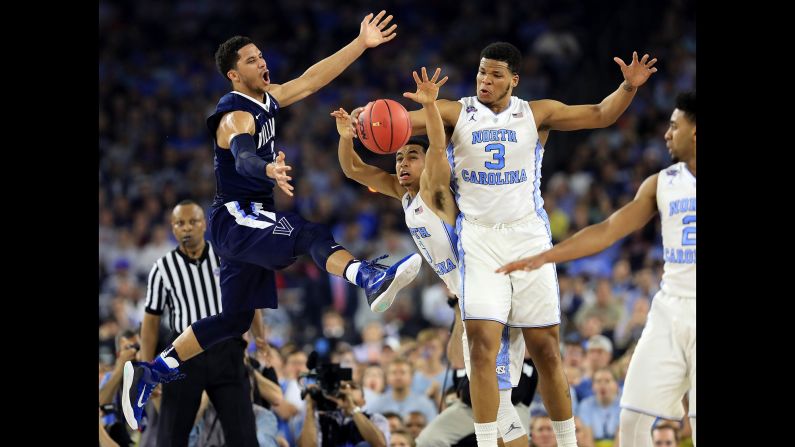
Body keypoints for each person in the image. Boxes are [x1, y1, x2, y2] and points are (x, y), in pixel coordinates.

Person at [122, 11, 425, 431]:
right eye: (251, 60)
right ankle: (367, 277)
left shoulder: (267, 98)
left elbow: (312, 79)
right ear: (233, 74)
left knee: (234, 321)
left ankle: (151, 370)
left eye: (261, 56)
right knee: (309, 233)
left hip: (245, 221)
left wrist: (360, 43)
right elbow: (244, 154)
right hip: (236, 217)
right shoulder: (233, 116)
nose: (262, 63)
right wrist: (265, 171)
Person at [356, 42, 657, 447]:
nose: (485, 80)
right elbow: (397, 121)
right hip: (478, 238)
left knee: (546, 349)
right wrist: (364, 119)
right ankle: (486, 442)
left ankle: (567, 442)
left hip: (527, 235)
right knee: (480, 345)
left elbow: (601, 114)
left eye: (495, 74)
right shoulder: (455, 111)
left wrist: (629, 87)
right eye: (482, 72)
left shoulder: (537, 113)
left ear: (513, 80)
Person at [334, 67, 534, 445]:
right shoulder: (403, 194)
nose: (403, 163)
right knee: (498, 406)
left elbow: (439, 149)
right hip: (470, 296)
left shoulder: (437, 189)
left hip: (494, 295)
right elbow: (354, 169)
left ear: (426, 165)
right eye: (398, 158)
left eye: (412, 155)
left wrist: (429, 107)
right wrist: (347, 138)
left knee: (495, 399)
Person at [497, 91, 695, 446]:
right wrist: (547, 255)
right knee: (633, 419)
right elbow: (607, 230)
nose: (667, 134)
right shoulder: (661, 182)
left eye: (674, 126)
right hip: (670, 309)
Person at [136, 200, 263, 446]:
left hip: (227, 351)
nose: (187, 228)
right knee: (171, 437)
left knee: (244, 435)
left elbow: (248, 300)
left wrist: (261, 337)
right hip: (183, 356)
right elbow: (150, 322)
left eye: (192, 221)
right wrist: (147, 368)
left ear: (204, 224)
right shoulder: (162, 268)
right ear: (172, 228)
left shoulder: (226, 257)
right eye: (180, 223)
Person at [297, 381, 390, 447]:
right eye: (342, 388)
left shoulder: (375, 419)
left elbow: (380, 444)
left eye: (353, 387)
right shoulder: (321, 419)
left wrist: (352, 408)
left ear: (363, 401)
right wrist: (310, 407)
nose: (347, 390)